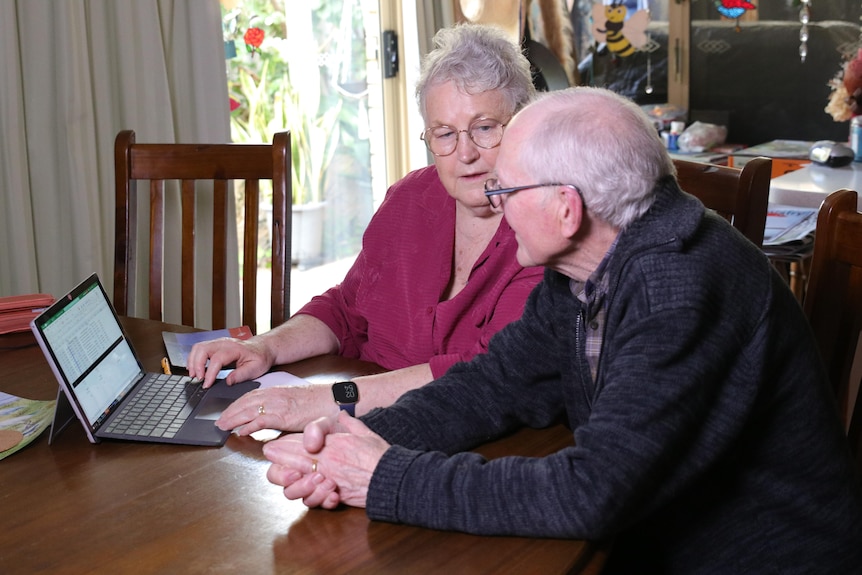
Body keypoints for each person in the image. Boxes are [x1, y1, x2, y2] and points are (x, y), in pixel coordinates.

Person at [262, 87, 862, 573]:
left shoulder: (676, 284)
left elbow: (593, 493)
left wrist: (386, 475)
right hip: (657, 541)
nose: (493, 203)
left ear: (566, 208)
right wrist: (346, 445)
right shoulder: (584, 266)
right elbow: (494, 383)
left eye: (504, 188)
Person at [186, 23, 542, 434]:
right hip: (368, 427)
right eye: (444, 133)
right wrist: (261, 347)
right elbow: (345, 311)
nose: (464, 153)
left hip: (474, 444)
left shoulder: (542, 230)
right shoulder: (410, 199)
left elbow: (483, 376)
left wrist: (328, 401)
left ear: (521, 124)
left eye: (484, 128)